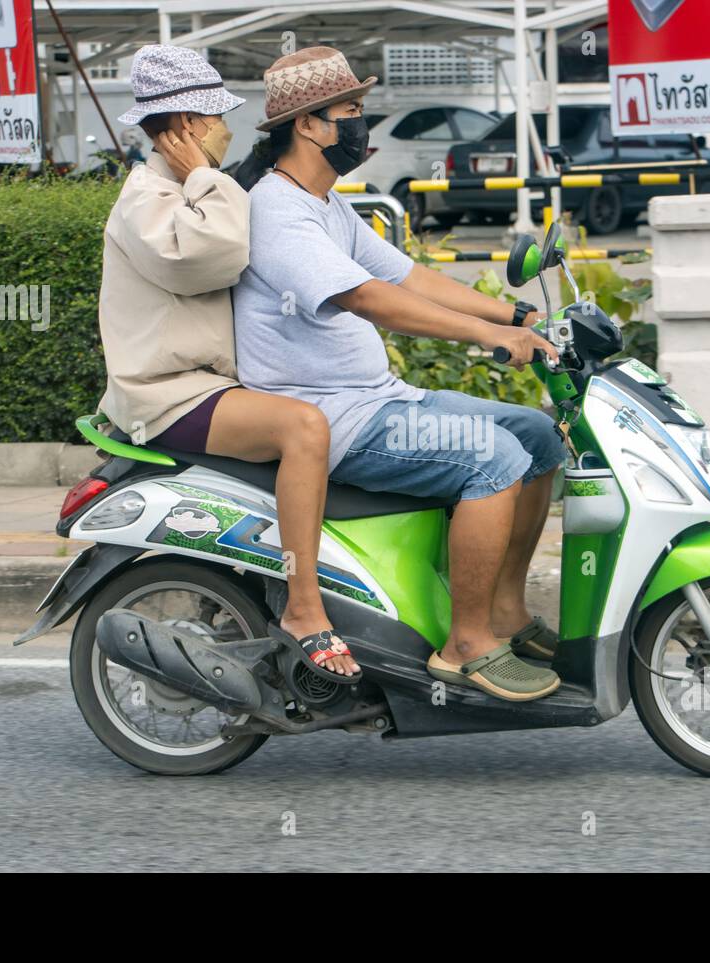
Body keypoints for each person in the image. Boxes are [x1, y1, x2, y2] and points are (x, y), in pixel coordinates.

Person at [233, 47, 566, 702]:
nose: (363, 124)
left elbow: (406, 274)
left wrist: (517, 312)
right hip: (339, 417)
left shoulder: (326, 204)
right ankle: (465, 642)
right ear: (308, 124)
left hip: (382, 398)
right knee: (491, 459)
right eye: (351, 111)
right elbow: (368, 297)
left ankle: (503, 612)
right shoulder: (277, 209)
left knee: (538, 437)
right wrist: (490, 336)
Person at [99, 44, 359, 678]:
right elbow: (213, 252)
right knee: (303, 427)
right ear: (188, 126)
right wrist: (203, 175)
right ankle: (305, 610)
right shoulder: (150, 197)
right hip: (169, 395)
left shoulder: (183, 188)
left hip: (207, 386)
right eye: (215, 119)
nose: (227, 130)